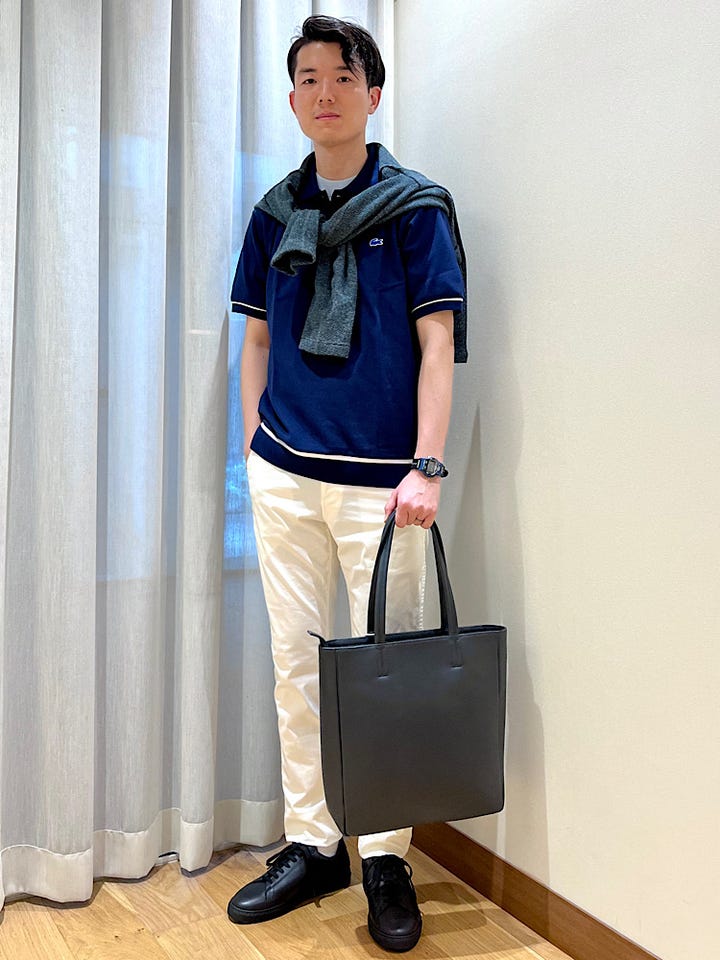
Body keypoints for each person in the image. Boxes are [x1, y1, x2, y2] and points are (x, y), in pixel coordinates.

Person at [227, 15, 466, 953]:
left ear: (373, 93)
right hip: (285, 475)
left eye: (341, 75)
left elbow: (437, 345)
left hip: (384, 488)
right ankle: (312, 842)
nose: (323, 92)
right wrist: (255, 440)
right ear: (293, 101)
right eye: (308, 78)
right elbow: (254, 336)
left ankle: (387, 859)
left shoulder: (415, 207)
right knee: (294, 665)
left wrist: (427, 463)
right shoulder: (273, 212)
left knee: (384, 677)